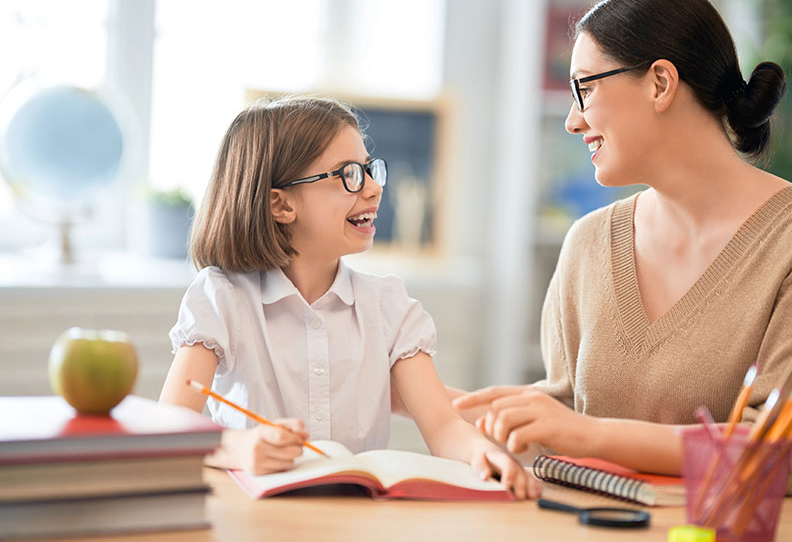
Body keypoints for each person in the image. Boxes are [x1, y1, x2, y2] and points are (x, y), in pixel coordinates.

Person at [451, 0, 792, 495]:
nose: (573, 120)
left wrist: (590, 433)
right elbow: (564, 421)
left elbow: (777, 455)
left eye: (584, 89)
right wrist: (438, 403)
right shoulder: (587, 243)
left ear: (660, 83)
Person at [159, 95, 539, 500]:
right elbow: (169, 429)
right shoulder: (222, 297)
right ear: (281, 203)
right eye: (349, 175)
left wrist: (482, 453)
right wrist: (239, 448)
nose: (374, 189)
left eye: (370, 170)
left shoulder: (388, 305)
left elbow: (443, 426)